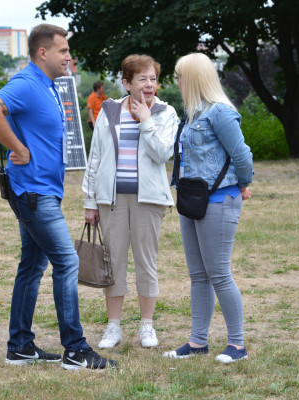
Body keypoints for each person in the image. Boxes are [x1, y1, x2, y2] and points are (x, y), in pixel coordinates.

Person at [0, 24, 116, 370]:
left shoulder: (49, 85)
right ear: (43, 53)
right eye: (63, 50)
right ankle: (76, 350)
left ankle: (20, 346)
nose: (68, 56)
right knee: (67, 262)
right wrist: (18, 148)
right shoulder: (27, 83)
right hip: (33, 192)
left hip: (41, 191)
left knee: (32, 266)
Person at [163, 53, 253, 364]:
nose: (177, 82)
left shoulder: (220, 113)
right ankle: (197, 342)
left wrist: (243, 183)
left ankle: (237, 345)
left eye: (180, 77)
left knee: (219, 274)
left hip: (219, 200)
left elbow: (242, 155)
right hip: (192, 200)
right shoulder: (191, 115)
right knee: (198, 275)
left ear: (193, 79)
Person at [82, 54, 177, 349]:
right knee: (113, 263)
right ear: (126, 83)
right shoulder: (109, 110)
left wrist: (146, 120)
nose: (149, 85)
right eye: (142, 79)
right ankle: (113, 327)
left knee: (147, 262)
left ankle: (147, 326)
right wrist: (90, 200)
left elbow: (163, 154)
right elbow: (95, 157)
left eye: (153, 79)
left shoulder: (165, 112)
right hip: (111, 200)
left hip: (149, 200)